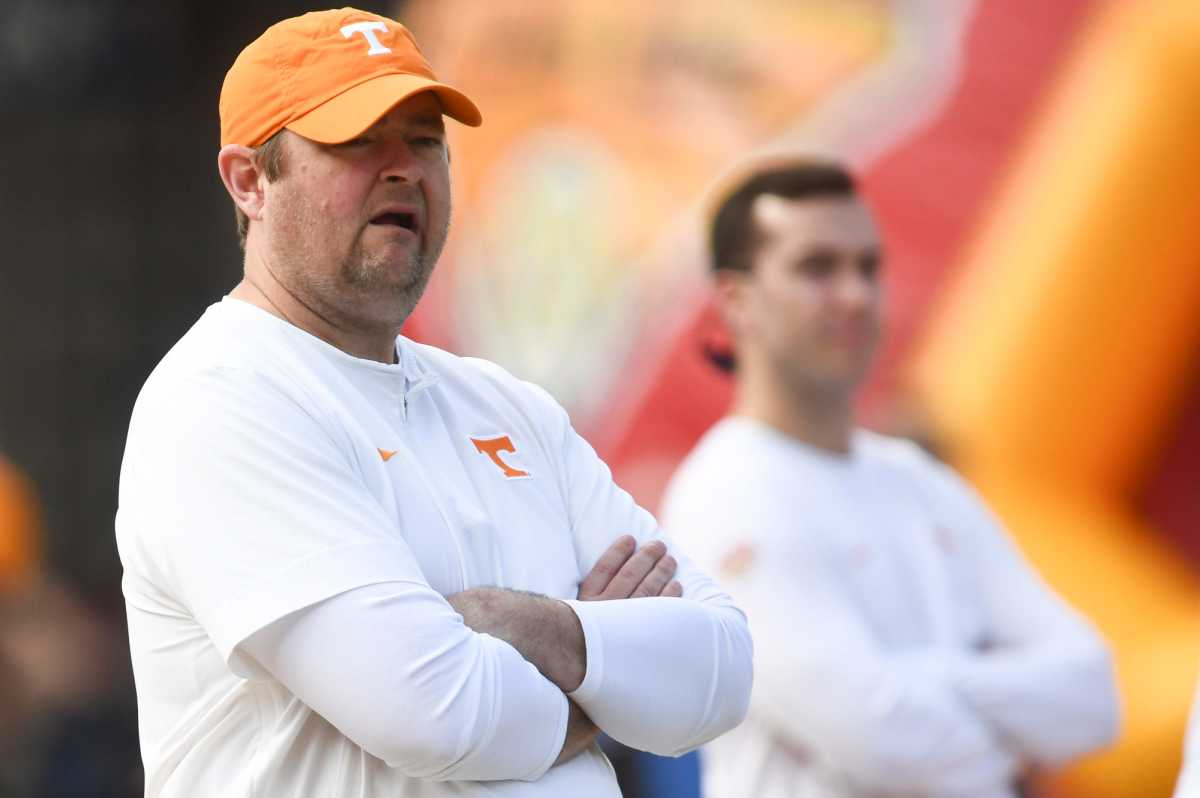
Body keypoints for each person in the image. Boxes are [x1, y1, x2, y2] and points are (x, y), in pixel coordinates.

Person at [114, 9, 752, 797]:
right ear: (250, 182)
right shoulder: (222, 399)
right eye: (355, 139)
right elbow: (440, 716)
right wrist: (612, 679)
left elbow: (722, 668)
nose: (403, 168)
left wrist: (538, 628)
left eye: (424, 140)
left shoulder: (507, 404)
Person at [659, 158, 1120, 797]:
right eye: (817, 268)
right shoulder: (728, 491)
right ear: (737, 301)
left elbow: (1093, 697)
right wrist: (1008, 741)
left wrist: (928, 681)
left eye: (868, 266)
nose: (855, 294)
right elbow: (882, 737)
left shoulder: (921, 483)